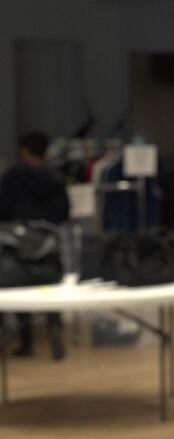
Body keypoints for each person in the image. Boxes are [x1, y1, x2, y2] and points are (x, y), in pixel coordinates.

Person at [0, 130, 70, 360]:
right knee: (50, 285)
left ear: (25, 151)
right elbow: (64, 210)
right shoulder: (55, 177)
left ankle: (26, 342)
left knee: (20, 284)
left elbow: (4, 207)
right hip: (49, 237)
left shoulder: (14, 176)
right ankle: (55, 334)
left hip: (19, 237)